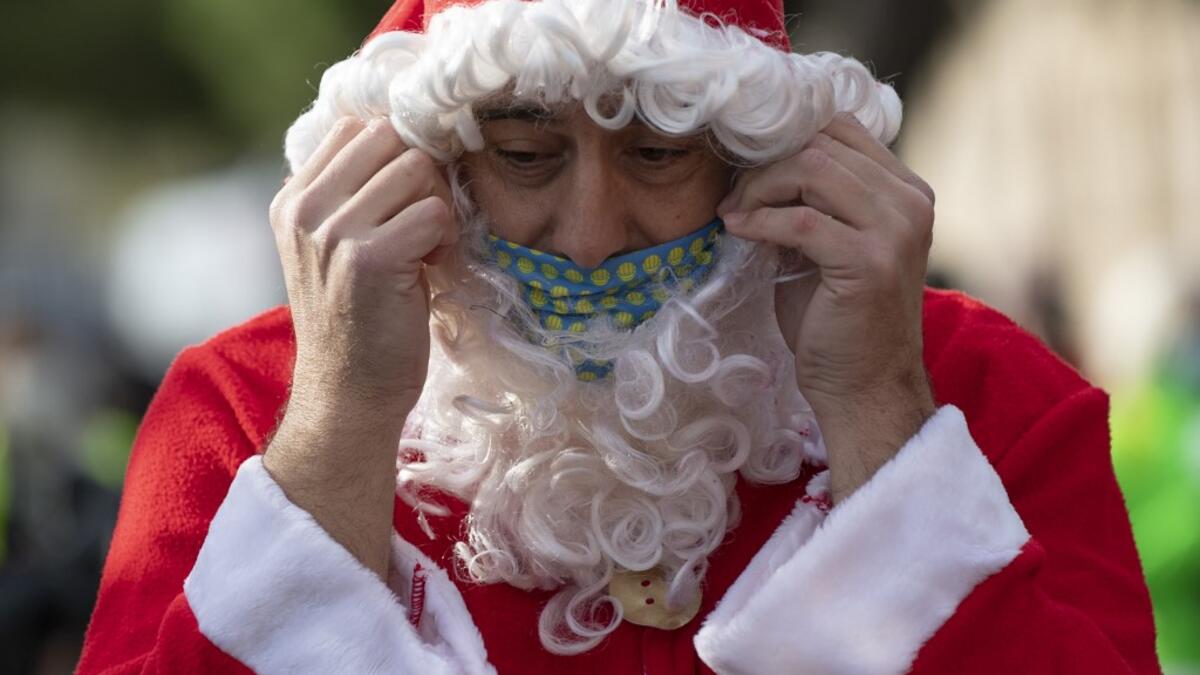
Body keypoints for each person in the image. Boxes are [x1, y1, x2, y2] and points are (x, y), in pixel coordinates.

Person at [77, 0, 1161, 673]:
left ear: (753, 158)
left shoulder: (982, 387)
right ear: (433, 167)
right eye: (526, 155)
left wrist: (878, 411)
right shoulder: (247, 405)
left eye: (656, 155)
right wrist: (344, 423)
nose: (592, 238)